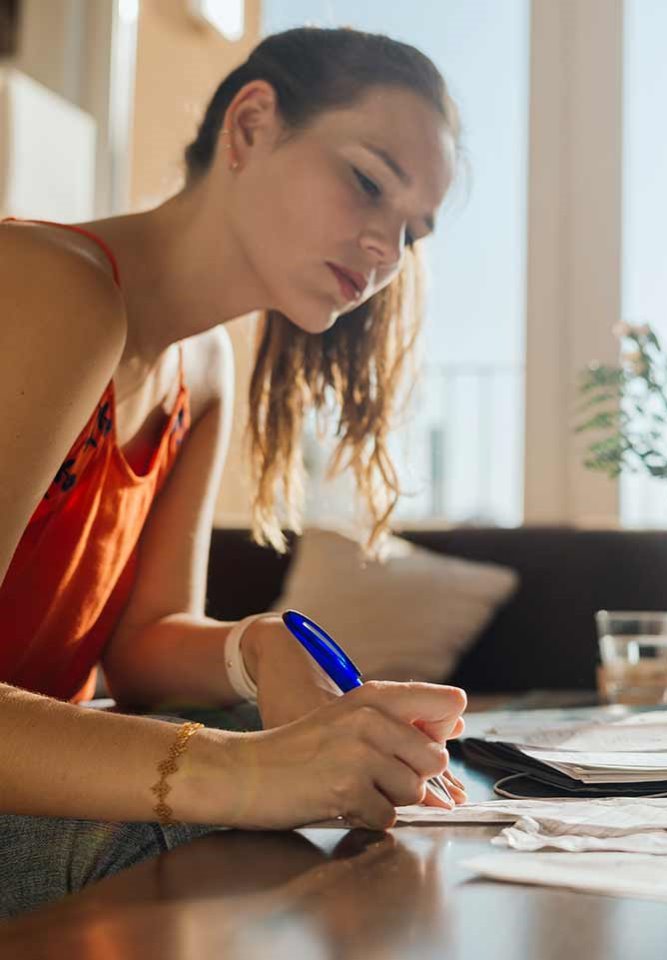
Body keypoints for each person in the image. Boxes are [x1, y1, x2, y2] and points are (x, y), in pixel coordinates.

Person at [0, 26, 469, 917]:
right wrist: (246, 773)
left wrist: (257, 649)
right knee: (234, 826)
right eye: (369, 182)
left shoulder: (203, 370)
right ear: (250, 127)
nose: (386, 249)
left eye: (412, 229)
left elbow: (138, 653)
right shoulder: (50, 287)